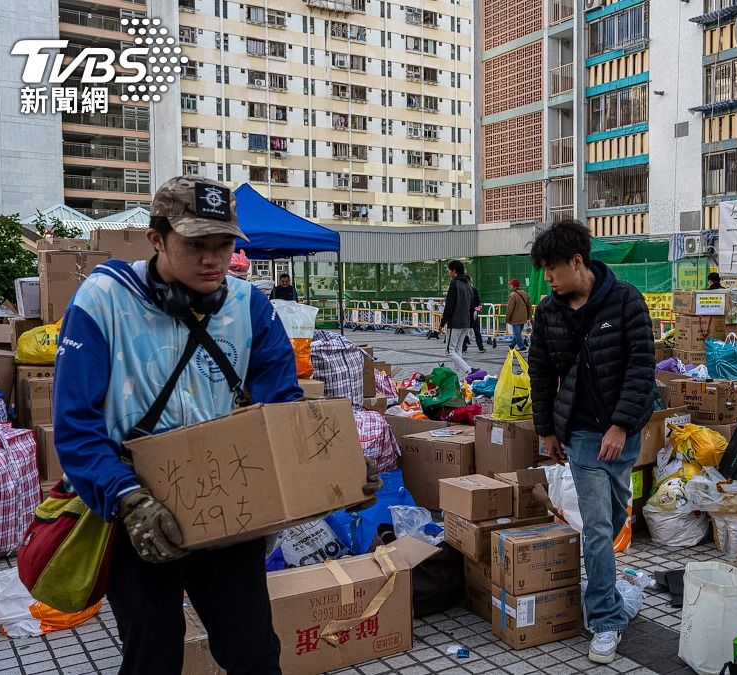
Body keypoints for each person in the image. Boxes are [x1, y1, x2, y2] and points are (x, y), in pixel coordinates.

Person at [52, 176, 379, 674]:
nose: (213, 259)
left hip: (231, 507)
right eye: (196, 245)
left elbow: (284, 415)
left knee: (253, 653)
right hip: (138, 514)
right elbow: (76, 425)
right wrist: (125, 498)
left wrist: (333, 472)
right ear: (156, 239)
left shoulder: (250, 308)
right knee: (152, 655)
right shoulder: (102, 302)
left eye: (224, 244)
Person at [526, 219, 655, 664]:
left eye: (551, 269)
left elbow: (642, 367)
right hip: (580, 434)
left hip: (626, 433)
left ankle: (606, 582)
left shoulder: (625, 302)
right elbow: (540, 374)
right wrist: (546, 430)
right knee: (598, 527)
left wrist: (620, 426)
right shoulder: (548, 311)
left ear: (577, 261)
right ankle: (605, 620)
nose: (547, 278)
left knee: (619, 512)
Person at [439, 260, 474, 375]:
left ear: (454, 270)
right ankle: (459, 376)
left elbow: (450, 305)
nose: (449, 272)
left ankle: (468, 370)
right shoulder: (468, 284)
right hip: (466, 322)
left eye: (449, 270)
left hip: (455, 322)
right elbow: (471, 305)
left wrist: (442, 322)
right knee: (458, 350)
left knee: (449, 351)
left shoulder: (455, 283)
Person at [505, 278, 532, 351]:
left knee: (517, 333)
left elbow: (510, 308)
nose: (510, 286)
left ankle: (522, 346)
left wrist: (507, 318)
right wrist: (529, 315)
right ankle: (512, 345)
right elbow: (529, 306)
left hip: (515, 318)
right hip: (523, 317)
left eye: (510, 285)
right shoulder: (525, 294)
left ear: (513, 286)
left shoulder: (512, 295)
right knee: (518, 333)